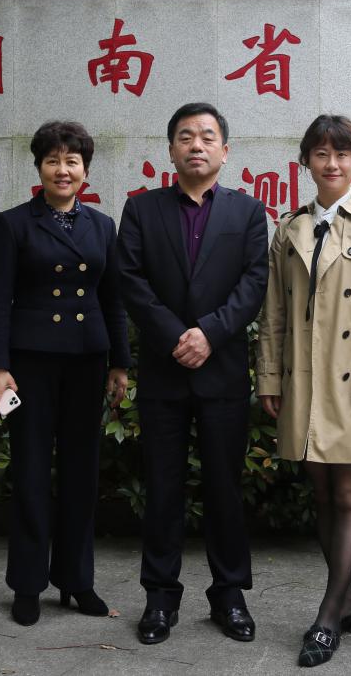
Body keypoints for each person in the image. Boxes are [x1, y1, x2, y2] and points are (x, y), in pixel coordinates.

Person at [117, 102, 269, 646]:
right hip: (164, 372)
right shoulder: (142, 209)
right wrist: (175, 336)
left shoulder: (248, 212)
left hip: (221, 370)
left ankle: (230, 594)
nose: (196, 145)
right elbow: (131, 281)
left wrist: (209, 333)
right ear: (171, 150)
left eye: (207, 136)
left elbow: (254, 283)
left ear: (224, 151)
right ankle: (160, 597)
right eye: (186, 136)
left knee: (225, 487)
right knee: (162, 488)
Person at [255, 115, 351, 667]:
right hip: (304, 382)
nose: (332, 163)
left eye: (342, 154)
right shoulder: (290, 228)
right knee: (321, 495)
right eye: (321, 154)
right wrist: (269, 377)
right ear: (307, 163)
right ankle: (350, 602)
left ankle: (327, 615)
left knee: (347, 496)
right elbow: (273, 311)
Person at [0, 121, 130, 627]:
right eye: (52, 160)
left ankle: (76, 580)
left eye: (72, 161)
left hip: (87, 361)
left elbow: (113, 299)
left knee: (82, 474)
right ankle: (27, 584)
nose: (62, 170)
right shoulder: (13, 224)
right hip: (31, 364)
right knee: (30, 471)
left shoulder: (102, 226)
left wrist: (120, 362)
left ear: (85, 170)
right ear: (39, 167)